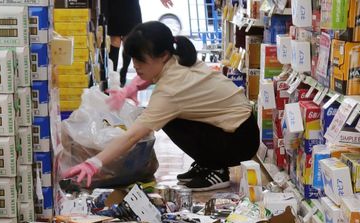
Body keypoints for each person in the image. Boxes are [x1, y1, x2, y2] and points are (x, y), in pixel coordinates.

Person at [64, 21, 259, 191]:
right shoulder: (179, 57)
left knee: (163, 118)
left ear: (163, 55)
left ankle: (217, 169)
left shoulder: (171, 90)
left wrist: (93, 163)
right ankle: (208, 163)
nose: (136, 66)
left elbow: (133, 135)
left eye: (140, 60)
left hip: (239, 141)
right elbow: (148, 76)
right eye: (133, 59)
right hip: (241, 129)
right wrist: (127, 90)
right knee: (161, 115)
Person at [107, 0, 173, 86]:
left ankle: (124, 72)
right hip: (113, 5)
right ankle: (113, 75)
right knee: (115, 40)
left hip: (130, 5)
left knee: (129, 38)